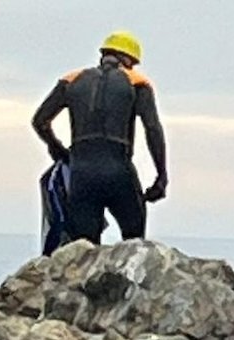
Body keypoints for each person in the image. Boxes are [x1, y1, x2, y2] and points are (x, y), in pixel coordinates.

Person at [31, 30, 168, 246]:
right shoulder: (136, 82)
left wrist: (57, 149)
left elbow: (39, 121)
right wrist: (161, 176)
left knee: (86, 250)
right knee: (134, 245)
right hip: (119, 171)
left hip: (82, 175)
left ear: (104, 54)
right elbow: (152, 128)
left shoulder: (72, 80)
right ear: (128, 59)